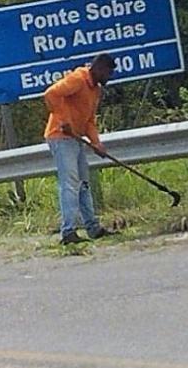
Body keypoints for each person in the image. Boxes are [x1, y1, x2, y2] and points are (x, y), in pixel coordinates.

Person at [43, 53, 115, 244]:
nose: (109, 77)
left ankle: (92, 227)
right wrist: (64, 120)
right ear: (99, 68)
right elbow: (51, 94)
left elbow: (89, 120)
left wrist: (96, 143)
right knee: (70, 183)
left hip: (75, 138)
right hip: (60, 136)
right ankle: (68, 232)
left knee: (83, 183)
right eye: (108, 72)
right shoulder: (78, 79)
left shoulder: (95, 90)